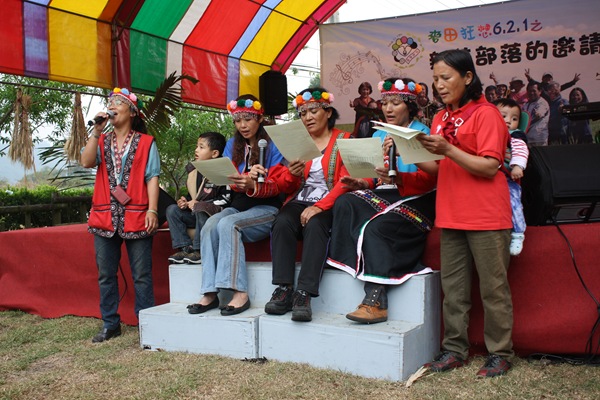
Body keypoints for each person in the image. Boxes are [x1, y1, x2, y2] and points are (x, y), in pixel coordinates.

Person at [417, 49, 514, 378]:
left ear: (468, 77)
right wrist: (410, 151)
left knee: (493, 289)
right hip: (450, 214)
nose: (439, 85)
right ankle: (454, 350)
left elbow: (489, 166)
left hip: (486, 215)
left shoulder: (487, 114)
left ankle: (499, 353)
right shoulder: (440, 118)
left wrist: (447, 149)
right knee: (453, 290)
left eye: (446, 78)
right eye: (435, 80)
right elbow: (436, 169)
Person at [326, 77, 437, 324]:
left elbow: (430, 179)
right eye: (385, 102)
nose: (388, 108)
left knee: (378, 227)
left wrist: (397, 177)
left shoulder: (424, 133)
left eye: (395, 103)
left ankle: (376, 299)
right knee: (346, 202)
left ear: (409, 106)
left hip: (418, 195)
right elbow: (375, 175)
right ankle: (348, 263)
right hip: (387, 192)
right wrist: (363, 183)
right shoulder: (378, 133)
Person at [186, 95, 285, 316]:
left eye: (248, 119)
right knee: (211, 224)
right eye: (238, 120)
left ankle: (240, 292)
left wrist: (257, 179)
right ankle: (209, 293)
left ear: (259, 119)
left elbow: (281, 179)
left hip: (268, 207)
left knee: (229, 224)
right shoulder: (233, 144)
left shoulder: (273, 141)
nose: (242, 125)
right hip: (240, 204)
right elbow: (229, 176)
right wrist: (240, 178)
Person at [263, 87, 355, 322]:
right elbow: (285, 184)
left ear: (328, 112)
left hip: (331, 202)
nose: (308, 117)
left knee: (315, 224)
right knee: (282, 221)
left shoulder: (345, 140)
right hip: (301, 199)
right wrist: (292, 174)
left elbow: (345, 182)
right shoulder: (298, 143)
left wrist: (320, 206)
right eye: (303, 113)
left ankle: (304, 292)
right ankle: (284, 288)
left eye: (313, 111)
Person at [81, 87, 160, 343]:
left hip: (137, 214)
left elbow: (152, 177)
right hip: (104, 215)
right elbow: (86, 162)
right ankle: (110, 323)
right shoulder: (101, 140)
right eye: (110, 102)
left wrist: (152, 209)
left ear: (132, 112)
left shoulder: (146, 142)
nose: (112, 106)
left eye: (118, 102)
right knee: (105, 273)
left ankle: (145, 322)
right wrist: (95, 131)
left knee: (142, 274)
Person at [166, 132, 230, 264]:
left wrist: (201, 204)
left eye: (201, 147)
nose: (196, 150)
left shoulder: (224, 170)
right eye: (197, 146)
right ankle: (185, 248)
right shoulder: (196, 171)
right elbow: (193, 197)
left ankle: (199, 250)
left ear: (215, 153)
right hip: (195, 214)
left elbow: (227, 198)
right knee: (172, 210)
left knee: (200, 207)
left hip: (214, 215)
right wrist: (185, 202)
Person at [494, 98, 530, 256]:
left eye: (514, 119)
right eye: (503, 116)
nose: (508, 121)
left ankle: (518, 233)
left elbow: (521, 150)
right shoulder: (488, 132)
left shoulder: (515, 135)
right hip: (490, 178)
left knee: (514, 204)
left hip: (509, 178)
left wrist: (517, 165)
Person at [523, 81, 550, 146]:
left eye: (534, 91)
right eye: (529, 91)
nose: (531, 93)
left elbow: (540, 113)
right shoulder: (526, 105)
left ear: (540, 91)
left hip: (539, 140)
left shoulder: (542, 103)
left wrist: (538, 114)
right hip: (528, 139)